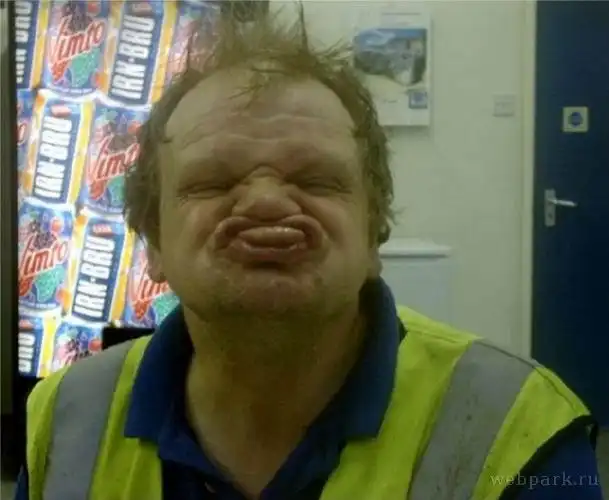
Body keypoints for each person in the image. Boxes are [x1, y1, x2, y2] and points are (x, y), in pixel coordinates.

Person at [17, 7, 603, 500]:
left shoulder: (520, 428)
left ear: (374, 233)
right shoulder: (66, 419)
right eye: (213, 181)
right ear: (153, 242)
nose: (267, 202)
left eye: (316, 180)